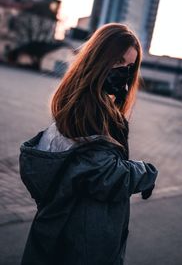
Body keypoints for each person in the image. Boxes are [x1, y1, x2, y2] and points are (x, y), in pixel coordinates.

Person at [19, 23, 158, 265]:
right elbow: (103, 175)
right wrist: (145, 172)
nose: (123, 72)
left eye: (129, 67)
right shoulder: (88, 110)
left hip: (70, 229)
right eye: (117, 62)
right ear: (98, 59)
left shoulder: (87, 102)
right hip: (80, 239)